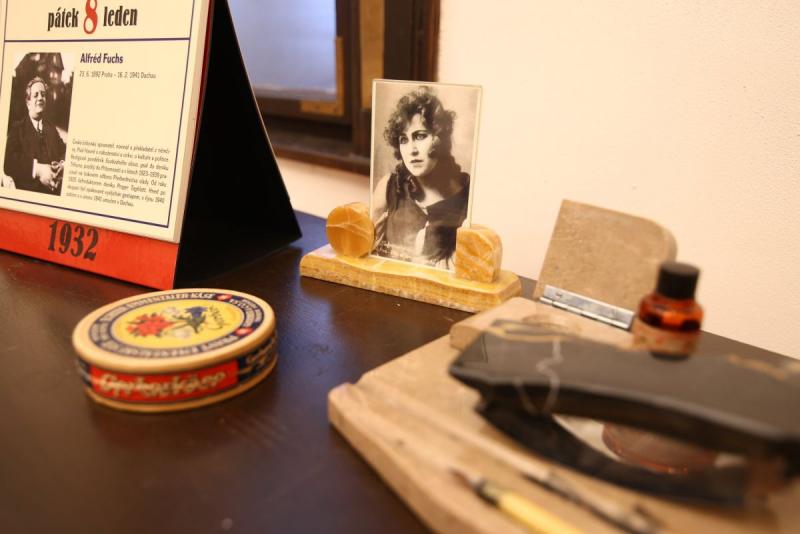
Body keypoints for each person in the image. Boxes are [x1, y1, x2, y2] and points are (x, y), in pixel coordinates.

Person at [372, 86, 470, 269]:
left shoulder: (468, 194)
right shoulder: (389, 188)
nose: (412, 150)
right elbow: (369, 252)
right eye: (404, 140)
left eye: (420, 136)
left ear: (440, 138)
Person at [3, 76, 66, 194]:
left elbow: (64, 150)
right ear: (28, 103)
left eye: (43, 95)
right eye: (36, 95)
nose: (40, 98)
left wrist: (62, 164)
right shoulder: (17, 129)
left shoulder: (51, 128)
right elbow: (8, 162)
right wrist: (38, 170)